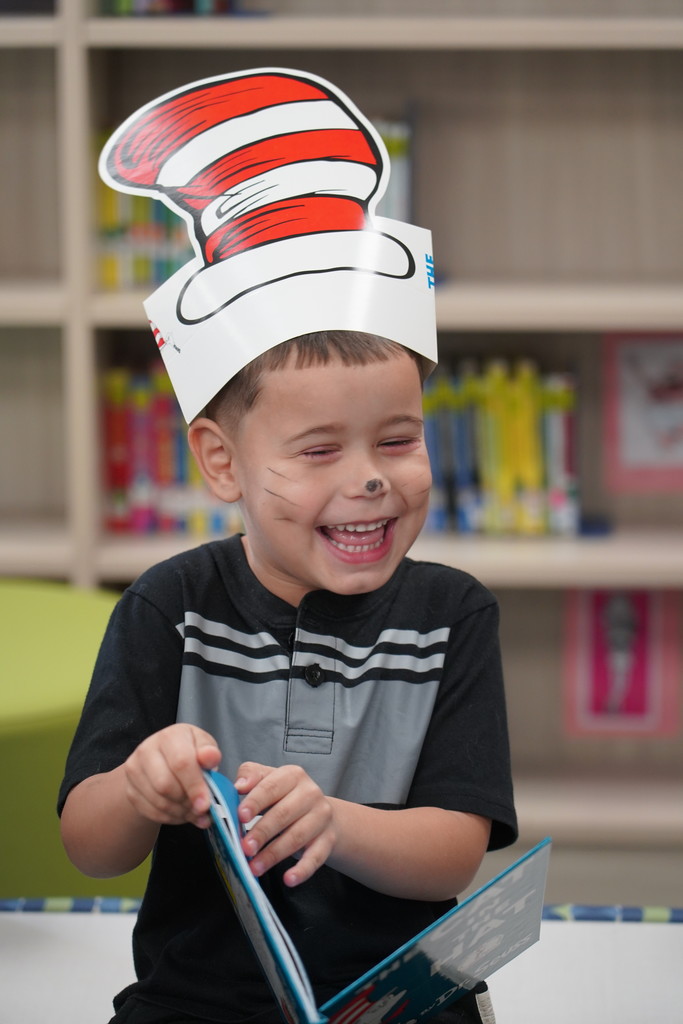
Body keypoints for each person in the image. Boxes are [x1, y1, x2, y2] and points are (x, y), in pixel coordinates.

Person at [58, 70, 517, 1024]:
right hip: (200, 1000)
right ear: (221, 463)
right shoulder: (167, 607)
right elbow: (89, 844)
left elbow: (455, 848)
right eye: (317, 451)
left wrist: (337, 825)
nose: (370, 478)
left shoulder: (451, 614)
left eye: (398, 438)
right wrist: (139, 785)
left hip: (404, 1002)